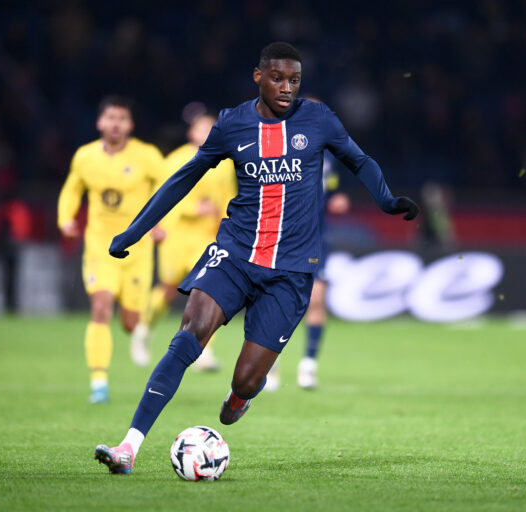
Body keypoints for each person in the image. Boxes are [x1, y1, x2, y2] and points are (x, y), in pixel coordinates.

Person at [94, 42, 419, 474]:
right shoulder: (232, 124)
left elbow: (359, 161)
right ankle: (128, 448)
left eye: (295, 80)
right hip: (235, 254)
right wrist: (133, 232)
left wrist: (387, 200)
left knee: (246, 379)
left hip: (290, 272)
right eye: (278, 78)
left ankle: (239, 398)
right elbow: (183, 179)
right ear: (258, 77)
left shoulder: (318, 119)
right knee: (189, 337)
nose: (287, 88)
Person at [58, 95, 165, 404]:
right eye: (111, 118)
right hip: (100, 248)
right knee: (101, 306)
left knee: (130, 323)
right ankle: (98, 381)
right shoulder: (85, 156)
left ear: (130, 125)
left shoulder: (147, 156)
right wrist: (65, 220)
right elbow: (72, 190)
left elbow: (170, 189)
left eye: (122, 118)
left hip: (137, 252)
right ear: (100, 122)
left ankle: (140, 329)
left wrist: (160, 222)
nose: (116, 124)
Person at [148, 112, 237, 371]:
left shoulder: (225, 163)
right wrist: (158, 223)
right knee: (167, 288)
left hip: (206, 237)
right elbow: (163, 195)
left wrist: (227, 228)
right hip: (176, 234)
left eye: (212, 128)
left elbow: (228, 197)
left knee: (208, 292)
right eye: (202, 127)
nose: (207, 132)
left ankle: (205, 351)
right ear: (191, 132)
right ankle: (145, 326)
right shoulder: (175, 159)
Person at [265, 148, 350, 391]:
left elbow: (332, 186)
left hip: (315, 239)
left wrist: (337, 197)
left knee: (316, 300)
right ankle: (270, 366)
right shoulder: (278, 149)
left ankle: (308, 366)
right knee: (277, 303)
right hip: (281, 238)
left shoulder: (328, 156)